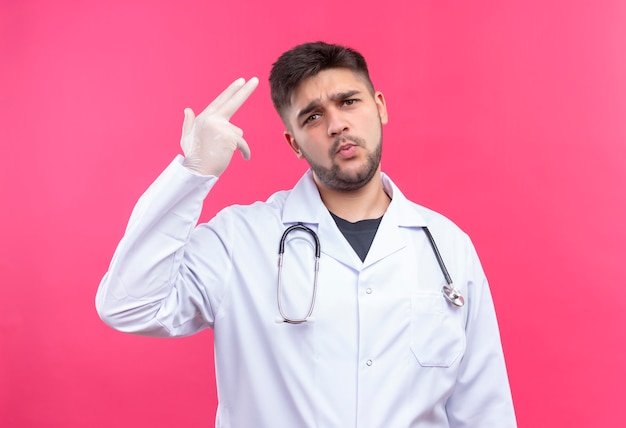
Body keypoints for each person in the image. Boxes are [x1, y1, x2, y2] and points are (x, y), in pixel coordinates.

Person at [96, 41, 516, 427]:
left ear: (380, 106)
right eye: (312, 116)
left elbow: (484, 408)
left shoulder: (446, 246)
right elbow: (129, 305)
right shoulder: (239, 240)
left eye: (348, 102)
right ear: (293, 143)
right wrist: (194, 173)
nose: (336, 125)